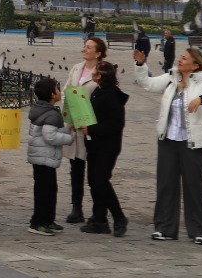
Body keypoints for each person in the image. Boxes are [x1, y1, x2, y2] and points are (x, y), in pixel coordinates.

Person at [132, 43, 202, 245]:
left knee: (193, 187)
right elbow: (148, 84)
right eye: (181, 57)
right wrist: (140, 64)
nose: (180, 60)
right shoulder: (171, 79)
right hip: (168, 140)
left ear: (194, 65)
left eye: (184, 58)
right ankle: (165, 228)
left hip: (192, 144)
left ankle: (199, 231)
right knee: (166, 185)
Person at [64, 35, 107, 224]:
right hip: (75, 126)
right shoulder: (76, 69)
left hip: (93, 128)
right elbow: (67, 92)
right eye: (85, 46)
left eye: (89, 47)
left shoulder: (104, 71)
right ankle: (76, 208)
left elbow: (106, 98)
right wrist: (69, 116)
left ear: (98, 53)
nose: (85, 49)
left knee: (95, 172)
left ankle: (99, 211)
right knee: (76, 168)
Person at [82, 60, 128, 236]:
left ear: (100, 76)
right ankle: (99, 219)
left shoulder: (112, 95)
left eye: (95, 73)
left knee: (101, 180)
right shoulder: (98, 91)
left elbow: (116, 123)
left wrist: (92, 129)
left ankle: (119, 217)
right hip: (94, 144)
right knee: (94, 181)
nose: (92, 75)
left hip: (107, 146)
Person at [26, 76, 74, 235]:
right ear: (53, 94)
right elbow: (50, 136)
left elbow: (52, 130)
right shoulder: (51, 114)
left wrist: (68, 127)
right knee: (44, 191)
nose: (60, 91)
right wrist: (69, 138)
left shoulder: (41, 109)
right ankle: (38, 222)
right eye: (57, 89)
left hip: (41, 157)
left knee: (49, 189)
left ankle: (48, 220)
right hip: (44, 157)